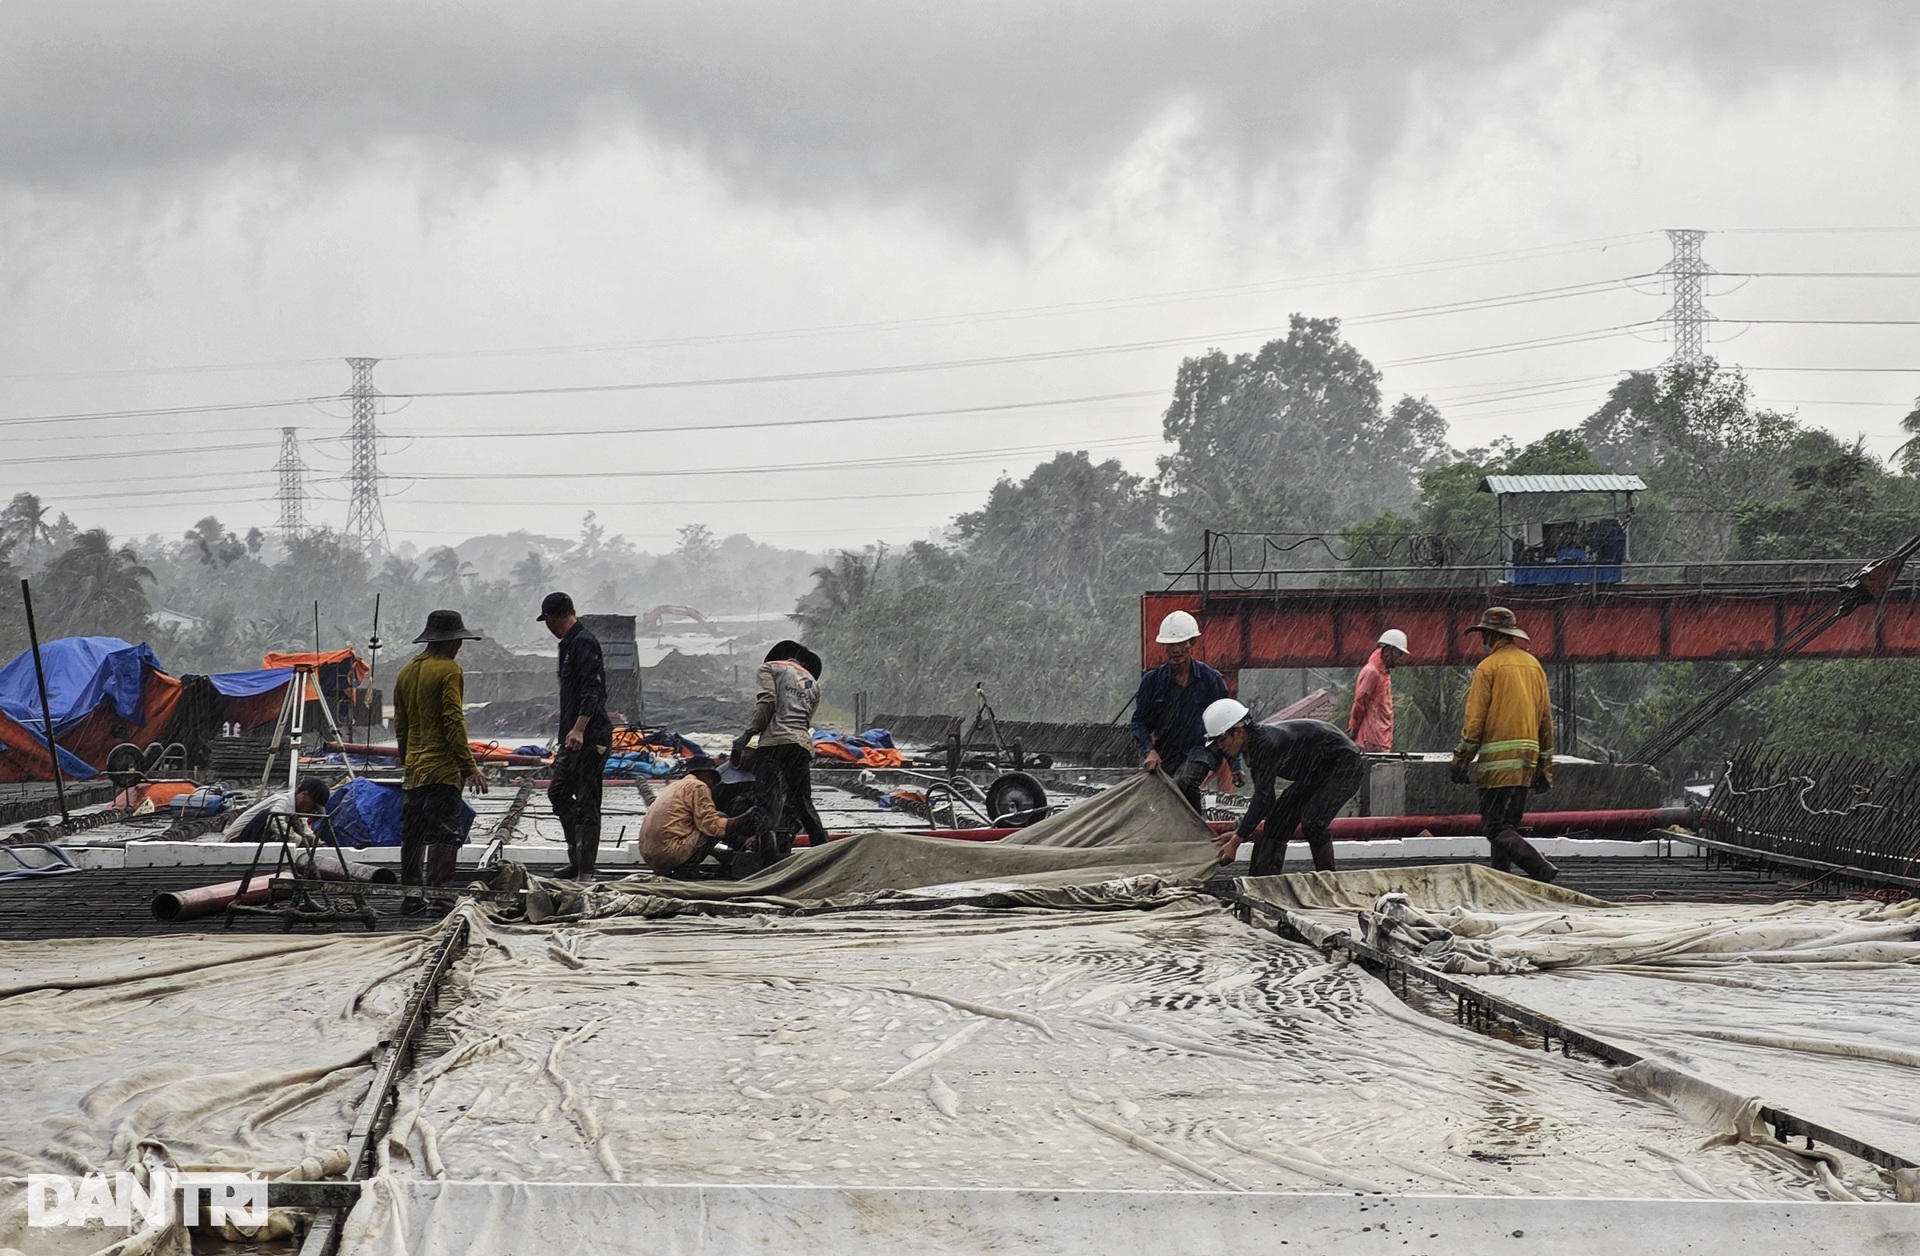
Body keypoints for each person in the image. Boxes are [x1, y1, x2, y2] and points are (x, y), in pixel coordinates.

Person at [1450, 606, 1559, 883]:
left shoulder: (1488, 668)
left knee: (1494, 827)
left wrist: (1461, 759)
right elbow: (1546, 720)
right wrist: (1544, 767)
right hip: (1526, 762)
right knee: (1506, 826)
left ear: (1489, 634)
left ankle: (1540, 868)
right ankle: (1502, 880)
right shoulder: (1534, 666)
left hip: (1497, 767)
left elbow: (1475, 721)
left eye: (1483, 635)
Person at [393, 609, 489, 911]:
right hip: (442, 770)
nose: (459, 647)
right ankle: (439, 895)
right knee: (445, 832)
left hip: (415, 769)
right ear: (451, 642)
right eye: (458, 641)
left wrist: (407, 756)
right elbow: (452, 721)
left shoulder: (407, 671)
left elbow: (401, 722)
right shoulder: (449, 669)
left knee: (414, 833)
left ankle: (410, 894)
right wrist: (469, 767)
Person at [1204, 699, 1365, 876]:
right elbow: (1265, 800)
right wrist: (1240, 833)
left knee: (1313, 822)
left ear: (1239, 732)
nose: (1221, 747)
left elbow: (1264, 799)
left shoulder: (1265, 745)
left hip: (1345, 765)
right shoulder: (1255, 745)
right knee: (1277, 820)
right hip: (1318, 770)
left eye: (1222, 740)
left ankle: (1330, 883)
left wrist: (1236, 840)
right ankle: (1262, 885)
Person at [733, 640, 826, 875]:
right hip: (801, 745)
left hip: (774, 743)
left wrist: (748, 734)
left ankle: (767, 868)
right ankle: (825, 858)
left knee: (768, 806)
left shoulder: (770, 668)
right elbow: (805, 721)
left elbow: (768, 702)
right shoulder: (813, 684)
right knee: (804, 804)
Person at [539, 592, 613, 880]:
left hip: (590, 735)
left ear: (552, 617)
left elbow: (592, 690)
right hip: (572, 735)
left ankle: (586, 870)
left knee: (587, 799)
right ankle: (576, 857)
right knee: (558, 792)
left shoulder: (583, 642)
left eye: (546, 620)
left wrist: (580, 728)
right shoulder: (568, 645)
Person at [1131, 610, 1234, 812]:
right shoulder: (1153, 682)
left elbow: (1227, 723)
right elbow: (1139, 722)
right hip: (1168, 752)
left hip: (1202, 749)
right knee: (1162, 798)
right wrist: (1149, 751)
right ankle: (1179, 833)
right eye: (1170, 645)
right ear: (1164, 647)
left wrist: (1235, 764)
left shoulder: (1211, 680)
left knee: (1185, 782)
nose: (1176, 650)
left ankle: (1195, 829)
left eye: (1181, 644)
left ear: (1192, 644)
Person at [640, 755, 754, 876]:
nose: (711, 785)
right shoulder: (698, 786)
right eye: (711, 780)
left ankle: (683, 865)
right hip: (669, 853)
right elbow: (713, 826)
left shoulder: (674, 786)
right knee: (720, 819)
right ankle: (687, 868)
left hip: (650, 854)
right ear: (705, 775)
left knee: (702, 821)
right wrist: (747, 816)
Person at [226, 775, 332, 847]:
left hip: (251, 836)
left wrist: (318, 844)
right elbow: (274, 823)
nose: (312, 811)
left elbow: (304, 830)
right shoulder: (282, 800)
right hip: (238, 838)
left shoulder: (295, 810)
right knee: (269, 817)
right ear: (303, 795)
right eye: (313, 806)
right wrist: (299, 841)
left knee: (294, 826)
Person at [1348, 628, 1409, 753]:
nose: (1401, 659)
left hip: (1380, 740)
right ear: (1388, 651)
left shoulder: (1383, 673)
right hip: (1370, 741)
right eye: (1399, 654)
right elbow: (1360, 703)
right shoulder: (1372, 672)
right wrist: (1353, 729)